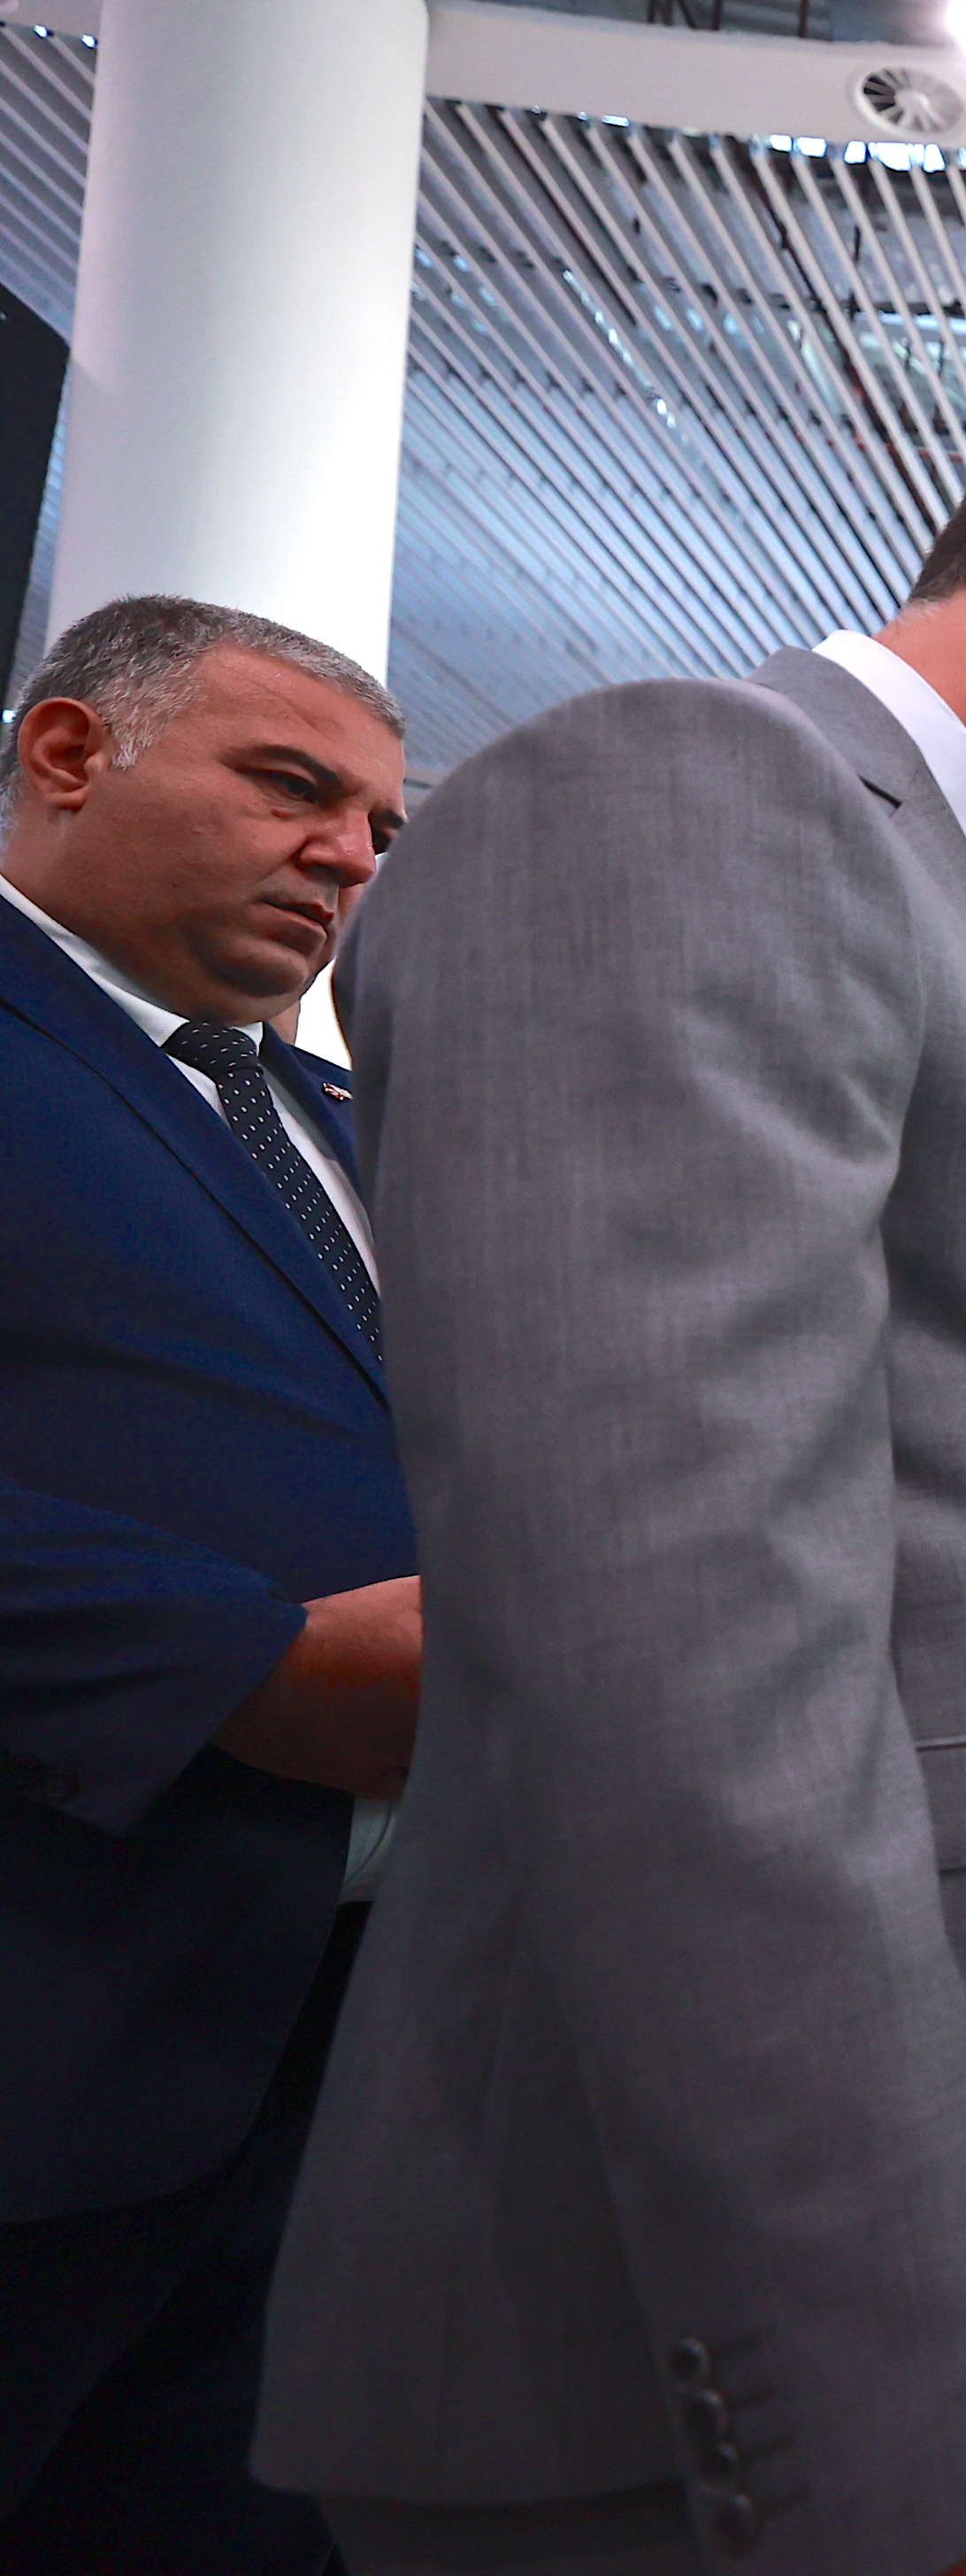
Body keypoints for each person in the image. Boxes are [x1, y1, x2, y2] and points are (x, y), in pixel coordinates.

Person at [252, 379, 966, 2576]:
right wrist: (902, 2374)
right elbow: (677, 1651)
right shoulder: (690, 793)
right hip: (668, 2335)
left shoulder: (935, 902)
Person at [0, 597, 414, 2574]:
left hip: (361, 2041)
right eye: (292, 787)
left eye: (380, 828)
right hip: (60, 2016)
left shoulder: (348, 1121)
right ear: (70, 752)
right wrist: (239, 1662)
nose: (349, 855)